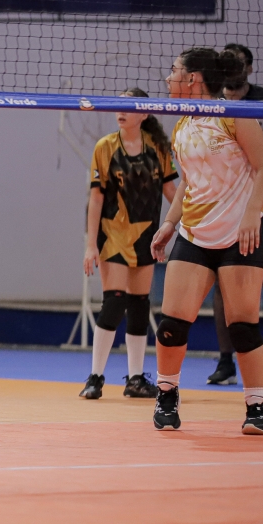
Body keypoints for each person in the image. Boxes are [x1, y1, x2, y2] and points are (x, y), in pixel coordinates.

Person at [149, 48, 263, 435]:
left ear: (193, 78)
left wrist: (252, 213)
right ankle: (167, 394)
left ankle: (258, 405)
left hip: (239, 235)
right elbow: (189, 180)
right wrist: (169, 223)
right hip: (195, 235)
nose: (168, 78)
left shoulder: (234, 114)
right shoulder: (182, 125)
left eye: (174, 71)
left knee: (243, 327)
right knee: (171, 324)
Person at [81, 89, 178, 400]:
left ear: (144, 114)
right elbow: (96, 198)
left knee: (139, 305)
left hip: (145, 236)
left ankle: (135, 379)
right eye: (118, 106)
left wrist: (192, 220)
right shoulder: (105, 147)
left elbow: (171, 192)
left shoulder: (158, 148)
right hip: (113, 236)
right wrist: (90, 245)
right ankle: (95, 377)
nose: (120, 111)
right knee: (114, 301)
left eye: (128, 106)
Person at [209, 44, 263, 385]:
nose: (232, 67)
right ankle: (225, 361)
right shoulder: (212, 102)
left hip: (262, 201)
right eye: (226, 62)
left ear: (248, 68)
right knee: (222, 284)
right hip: (227, 202)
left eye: (238, 62)